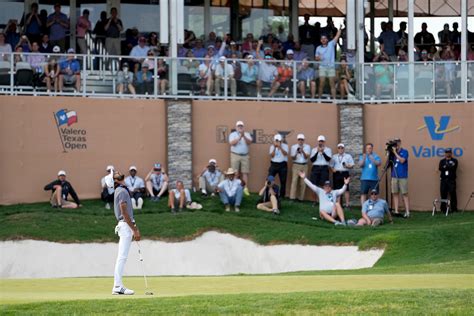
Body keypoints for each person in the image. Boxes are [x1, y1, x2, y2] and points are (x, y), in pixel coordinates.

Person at [112, 171, 139, 295]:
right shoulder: (122, 191)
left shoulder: (120, 189)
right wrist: (134, 229)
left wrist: (133, 225)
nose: (117, 172)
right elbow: (123, 212)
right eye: (115, 174)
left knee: (122, 257)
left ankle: (117, 286)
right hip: (125, 226)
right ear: (115, 180)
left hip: (125, 225)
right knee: (122, 257)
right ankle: (117, 286)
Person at [315, 27, 342, 100]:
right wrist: (319, 58)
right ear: (320, 40)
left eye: (324, 38)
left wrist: (340, 29)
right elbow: (316, 58)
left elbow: (337, 36)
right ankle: (319, 99)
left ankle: (334, 99)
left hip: (331, 67)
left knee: (332, 84)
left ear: (327, 39)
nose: (323, 40)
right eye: (322, 39)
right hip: (322, 67)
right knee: (321, 83)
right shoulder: (318, 48)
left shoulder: (331, 44)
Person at [228, 120, 252, 196]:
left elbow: (249, 143)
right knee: (235, 173)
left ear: (243, 127)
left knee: (245, 173)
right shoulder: (233, 134)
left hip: (245, 155)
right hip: (235, 155)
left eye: (241, 126)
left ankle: (245, 188)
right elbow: (232, 143)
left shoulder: (247, 134)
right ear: (236, 127)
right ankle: (235, 188)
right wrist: (239, 137)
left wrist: (243, 136)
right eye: (239, 126)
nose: (240, 127)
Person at [390, 139, 410, 217]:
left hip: (402, 176)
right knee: (395, 193)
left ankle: (407, 212)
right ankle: (396, 211)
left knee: (404, 193)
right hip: (394, 175)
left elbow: (402, 161)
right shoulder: (392, 153)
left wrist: (395, 152)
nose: (396, 145)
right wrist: (390, 152)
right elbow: (389, 162)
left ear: (400, 143)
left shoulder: (405, 152)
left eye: (397, 143)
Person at [331, 143, 354, 209]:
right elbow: (331, 166)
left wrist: (347, 166)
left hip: (345, 173)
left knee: (346, 189)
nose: (340, 149)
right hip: (337, 173)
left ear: (344, 149)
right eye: (339, 148)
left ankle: (347, 205)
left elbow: (352, 165)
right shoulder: (334, 156)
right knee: (337, 189)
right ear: (337, 149)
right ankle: (338, 205)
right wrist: (333, 170)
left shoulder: (348, 156)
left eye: (342, 148)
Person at [290, 133, 311, 202]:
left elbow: (306, 157)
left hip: (304, 165)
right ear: (297, 140)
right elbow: (293, 157)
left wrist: (303, 151)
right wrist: (296, 152)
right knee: (294, 181)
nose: (300, 141)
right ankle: (292, 198)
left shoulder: (307, 147)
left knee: (303, 183)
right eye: (299, 139)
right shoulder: (293, 147)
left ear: (304, 140)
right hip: (296, 165)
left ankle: (301, 198)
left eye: (302, 139)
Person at [268, 134, 289, 198]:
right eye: (276, 141)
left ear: (281, 141)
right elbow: (271, 155)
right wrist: (275, 147)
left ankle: (282, 195)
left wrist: (280, 147)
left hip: (282, 165)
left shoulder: (285, 146)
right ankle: (268, 192)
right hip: (274, 164)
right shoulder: (272, 147)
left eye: (279, 141)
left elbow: (285, 154)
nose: (277, 142)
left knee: (283, 181)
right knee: (270, 178)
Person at [439, 148, 458, 212]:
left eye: (449, 152)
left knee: (453, 194)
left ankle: (454, 209)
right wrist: (448, 166)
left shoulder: (455, 160)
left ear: (451, 153)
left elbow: (453, 167)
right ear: (445, 153)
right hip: (443, 180)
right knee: (443, 194)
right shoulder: (442, 161)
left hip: (451, 180)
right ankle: (443, 209)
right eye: (447, 152)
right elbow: (440, 168)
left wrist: (446, 166)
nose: (448, 154)